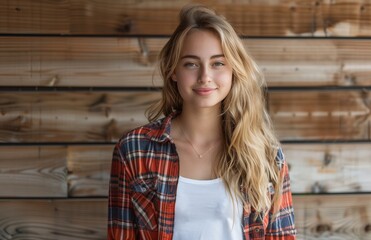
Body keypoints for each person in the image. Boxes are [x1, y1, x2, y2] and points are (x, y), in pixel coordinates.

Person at [108, 4, 296, 240]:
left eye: (218, 63)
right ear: (173, 70)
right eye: (191, 63)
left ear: (234, 71)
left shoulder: (267, 155)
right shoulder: (134, 149)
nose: (205, 76)